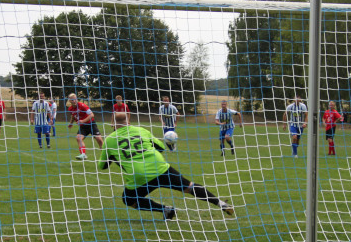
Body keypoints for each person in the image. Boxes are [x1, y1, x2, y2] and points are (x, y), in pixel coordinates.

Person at [97, 112, 234, 220]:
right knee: (189, 186)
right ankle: (220, 203)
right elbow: (161, 148)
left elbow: (102, 166)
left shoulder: (109, 140)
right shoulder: (141, 130)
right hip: (159, 167)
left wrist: (113, 156)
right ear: (128, 122)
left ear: (112, 124)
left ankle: (165, 209)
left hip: (138, 176)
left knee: (128, 200)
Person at [67, 93, 104, 160]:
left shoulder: (82, 105)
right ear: (69, 101)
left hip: (91, 124)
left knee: (99, 140)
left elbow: (92, 115)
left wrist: (83, 121)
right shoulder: (70, 109)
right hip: (83, 127)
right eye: (72, 100)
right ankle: (83, 154)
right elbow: (73, 115)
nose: (74, 101)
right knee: (79, 138)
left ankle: (105, 155)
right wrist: (71, 123)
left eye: (75, 99)